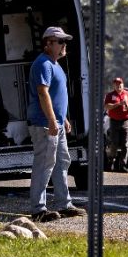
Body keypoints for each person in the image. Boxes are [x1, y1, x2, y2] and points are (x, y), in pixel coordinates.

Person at [27, 26, 86, 222]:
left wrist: (64, 119)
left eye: (65, 42)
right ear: (48, 44)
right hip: (44, 124)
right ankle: (38, 210)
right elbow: (43, 94)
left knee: (61, 162)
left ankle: (64, 204)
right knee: (44, 164)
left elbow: (55, 96)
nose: (64, 45)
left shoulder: (55, 64)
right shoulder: (42, 64)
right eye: (60, 41)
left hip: (56, 123)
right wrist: (53, 121)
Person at [104, 77, 128, 172]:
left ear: (123, 85)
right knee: (114, 143)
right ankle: (111, 161)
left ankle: (123, 165)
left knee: (125, 144)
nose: (118, 85)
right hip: (114, 121)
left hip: (126, 121)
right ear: (113, 85)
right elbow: (106, 106)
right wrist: (118, 104)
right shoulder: (110, 95)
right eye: (116, 84)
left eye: (120, 84)